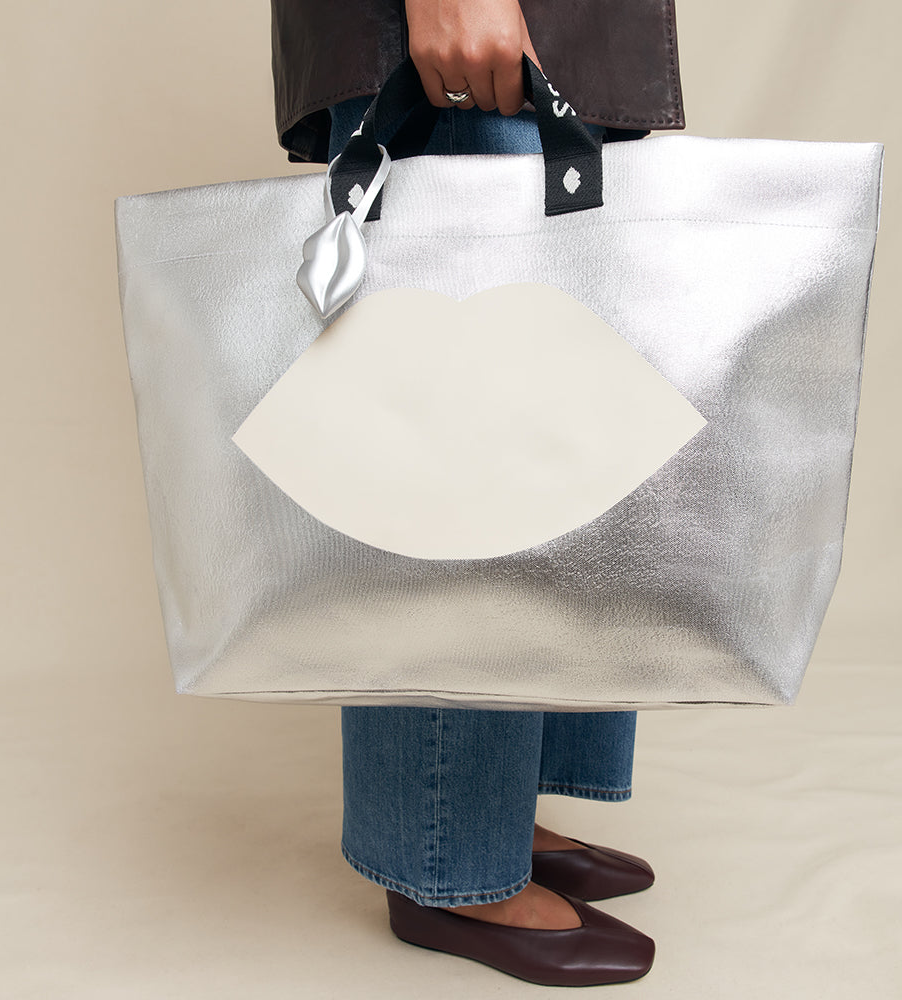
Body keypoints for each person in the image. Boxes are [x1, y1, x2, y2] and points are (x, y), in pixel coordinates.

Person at [270, 0, 685, 986]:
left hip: (563, 31)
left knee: (547, 432)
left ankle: (485, 796)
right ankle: (446, 857)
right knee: (459, 454)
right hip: (472, 26)